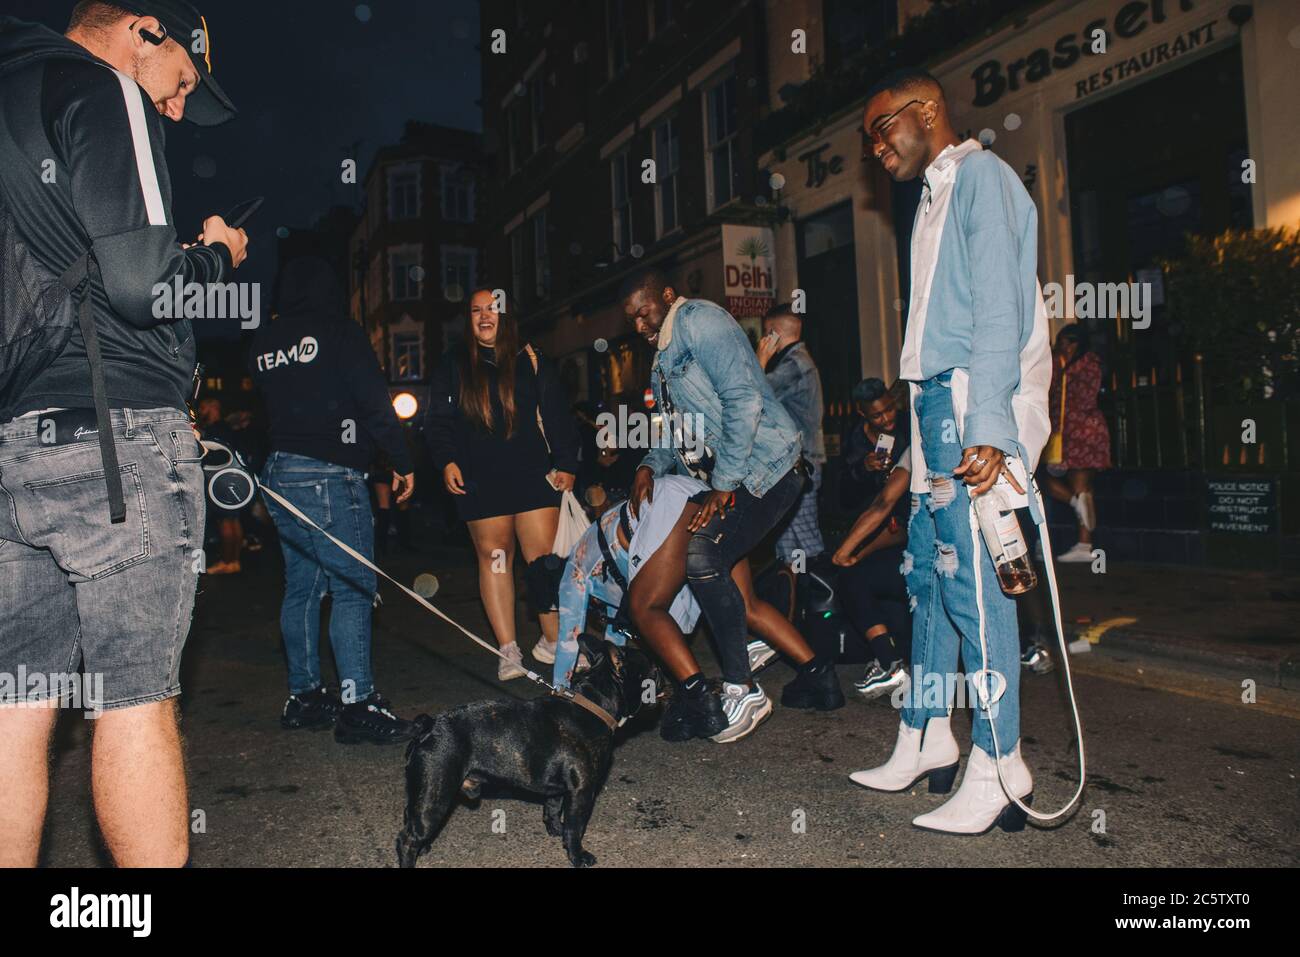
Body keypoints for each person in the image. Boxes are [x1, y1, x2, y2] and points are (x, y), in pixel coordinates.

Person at [0, 0, 246, 868]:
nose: (175, 110)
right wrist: (216, 257)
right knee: (130, 694)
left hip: (12, 445)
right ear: (146, 30)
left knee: (16, 704)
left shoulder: (13, 87)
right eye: (181, 84)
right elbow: (148, 291)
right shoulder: (104, 89)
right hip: (113, 439)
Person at [851, 67, 1052, 835]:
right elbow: (932, 334)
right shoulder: (933, 196)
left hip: (972, 404)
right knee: (928, 583)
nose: (876, 149)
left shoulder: (982, 178)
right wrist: (914, 440)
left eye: (881, 129)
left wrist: (991, 431)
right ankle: (926, 730)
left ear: (926, 112)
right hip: (936, 407)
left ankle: (1002, 761)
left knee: (977, 585)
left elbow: (1000, 310)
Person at [622, 268, 844, 744]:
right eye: (632, 320)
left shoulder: (701, 321)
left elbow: (744, 399)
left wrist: (723, 484)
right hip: (736, 475)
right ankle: (817, 675)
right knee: (741, 600)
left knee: (704, 558)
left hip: (766, 467)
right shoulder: (662, 358)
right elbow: (676, 429)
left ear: (667, 294)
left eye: (645, 313)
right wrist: (649, 464)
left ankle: (742, 688)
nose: (640, 326)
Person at [251, 256, 415, 745]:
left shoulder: (264, 341)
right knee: (353, 586)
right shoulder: (339, 331)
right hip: (329, 472)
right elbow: (372, 401)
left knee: (302, 586)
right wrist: (402, 460)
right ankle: (357, 702)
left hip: (279, 472)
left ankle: (304, 695)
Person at [424, 289, 581, 680]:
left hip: (531, 474)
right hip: (480, 478)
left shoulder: (531, 358)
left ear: (505, 315)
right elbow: (438, 419)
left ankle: (553, 643)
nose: (483, 316)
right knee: (495, 557)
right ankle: (508, 649)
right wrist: (446, 460)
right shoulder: (453, 363)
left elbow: (556, 412)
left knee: (544, 561)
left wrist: (566, 461)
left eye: (491, 308)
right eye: (475, 310)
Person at [831, 448, 914, 700]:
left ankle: (890, 664)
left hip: (926, 559)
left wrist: (843, 553)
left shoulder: (917, 445)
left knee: (851, 578)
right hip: (958, 558)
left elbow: (883, 503)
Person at [755, 302, 827, 568]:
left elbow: (755, 394)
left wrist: (760, 360)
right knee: (788, 538)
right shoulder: (796, 361)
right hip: (795, 462)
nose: (763, 339)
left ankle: (823, 601)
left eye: (765, 333)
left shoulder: (796, 364)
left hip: (802, 462)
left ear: (773, 333)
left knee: (805, 538)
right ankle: (798, 603)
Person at [1040, 323, 1109, 563]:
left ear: (1070, 344)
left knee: (1047, 481)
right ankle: (1085, 543)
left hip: (1072, 428)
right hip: (1093, 427)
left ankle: (1077, 514)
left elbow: (1051, 392)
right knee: (1084, 488)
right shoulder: (1092, 363)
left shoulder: (1065, 367)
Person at [839, 377, 910, 512]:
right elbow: (845, 498)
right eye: (877, 416)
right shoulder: (855, 440)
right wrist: (864, 467)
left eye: (890, 409)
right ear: (863, 413)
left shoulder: (907, 425)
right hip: (873, 512)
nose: (887, 419)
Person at [196, 396, 245, 574]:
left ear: (213, 407)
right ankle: (234, 561)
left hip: (221, 481)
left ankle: (227, 561)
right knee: (233, 521)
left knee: (225, 522)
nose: (201, 411)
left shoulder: (217, 430)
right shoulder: (226, 428)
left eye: (203, 407)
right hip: (233, 479)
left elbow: (213, 456)